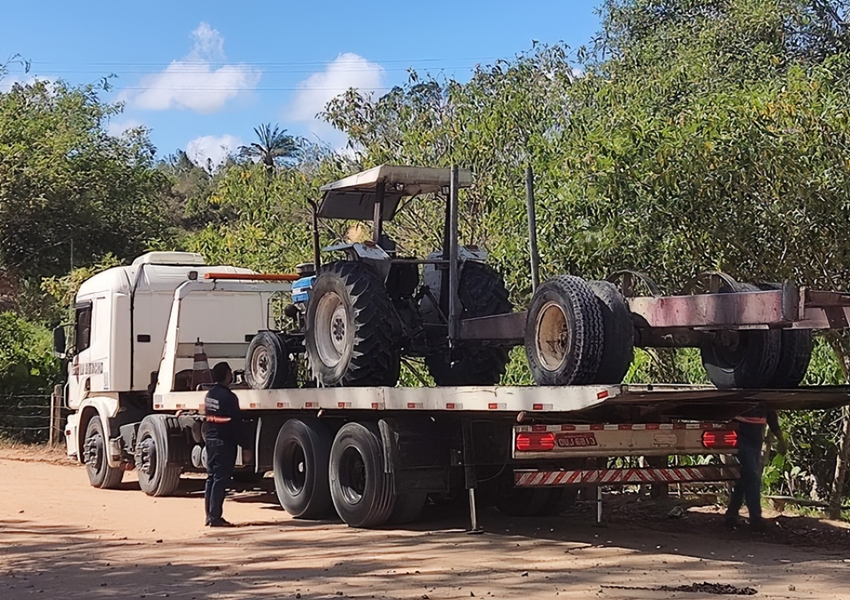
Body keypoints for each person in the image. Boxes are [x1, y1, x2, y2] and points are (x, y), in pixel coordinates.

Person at [203, 361, 251, 527]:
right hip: (224, 442)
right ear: (226, 375)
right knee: (220, 479)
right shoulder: (229, 398)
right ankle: (215, 517)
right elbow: (236, 423)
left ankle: (209, 516)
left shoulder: (209, 395)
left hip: (211, 440)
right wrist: (246, 447)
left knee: (211, 478)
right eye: (230, 373)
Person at [725, 408, 786, 531]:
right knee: (752, 476)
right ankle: (755, 518)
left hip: (756, 442)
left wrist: (780, 439)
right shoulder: (741, 398)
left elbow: (771, 417)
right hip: (741, 438)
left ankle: (732, 513)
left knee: (745, 477)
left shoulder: (764, 401)